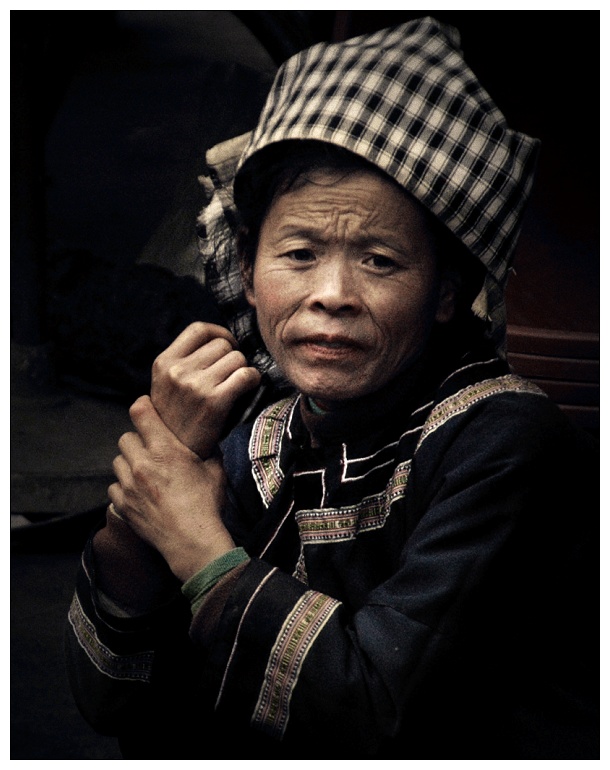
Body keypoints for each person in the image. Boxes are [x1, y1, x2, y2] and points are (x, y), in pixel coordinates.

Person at [65, 17, 598, 759]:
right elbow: (114, 702)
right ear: (248, 274)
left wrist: (196, 542)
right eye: (300, 252)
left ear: (446, 292)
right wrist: (153, 485)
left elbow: (373, 713)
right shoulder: (254, 435)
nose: (332, 294)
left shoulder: (504, 440)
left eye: (380, 260)